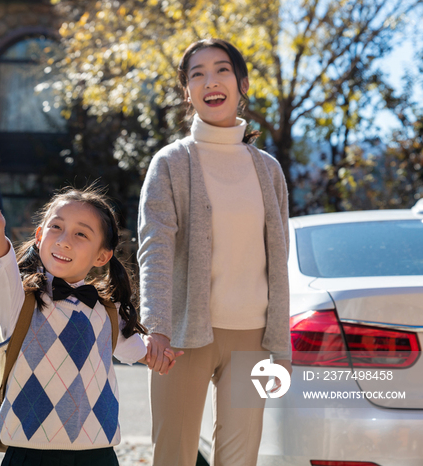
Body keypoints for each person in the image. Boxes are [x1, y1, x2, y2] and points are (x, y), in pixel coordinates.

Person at [137, 38, 292, 466]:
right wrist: (157, 327)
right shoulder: (170, 163)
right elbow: (156, 248)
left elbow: (279, 262)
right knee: (174, 455)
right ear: (187, 92)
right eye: (197, 74)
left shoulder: (269, 169)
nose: (211, 82)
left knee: (241, 458)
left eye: (222, 70)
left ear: (242, 84)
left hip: (255, 341)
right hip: (183, 337)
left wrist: (281, 348)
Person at [0, 180, 182, 465]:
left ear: (102, 255)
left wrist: (158, 354)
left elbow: (137, 350)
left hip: (98, 454)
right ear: (39, 236)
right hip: (29, 454)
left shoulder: (107, 312)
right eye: (56, 227)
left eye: (81, 233)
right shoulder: (18, 302)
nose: (64, 239)